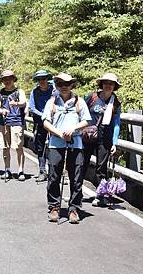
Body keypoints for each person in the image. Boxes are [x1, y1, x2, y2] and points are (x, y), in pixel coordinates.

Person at [42, 73, 91, 224]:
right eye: (60, 84)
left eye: (67, 84)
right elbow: (45, 122)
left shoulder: (79, 101)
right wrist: (60, 134)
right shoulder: (51, 102)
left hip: (75, 144)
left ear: (72, 85)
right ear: (56, 86)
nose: (64, 87)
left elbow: (87, 121)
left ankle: (74, 208)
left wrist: (73, 129)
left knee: (76, 178)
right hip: (56, 144)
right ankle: (54, 206)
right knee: (54, 176)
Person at [83, 73, 122, 207]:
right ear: (101, 84)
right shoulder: (92, 97)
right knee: (81, 164)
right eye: (106, 83)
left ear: (114, 86)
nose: (108, 86)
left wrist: (114, 142)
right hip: (87, 136)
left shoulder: (115, 103)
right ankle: (75, 193)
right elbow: (80, 112)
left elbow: (116, 123)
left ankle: (100, 195)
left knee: (101, 168)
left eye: (111, 84)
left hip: (105, 138)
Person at [0, 70, 27, 181]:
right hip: (4, 122)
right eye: (5, 79)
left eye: (9, 78)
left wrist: (16, 104)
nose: (7, 81)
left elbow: (23, 102)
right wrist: (1, 110)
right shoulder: (0, 92)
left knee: (18, 146)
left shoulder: (19, 91)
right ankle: (7, 169)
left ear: (13, 79)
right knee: (5, 147)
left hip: (17, 121)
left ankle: (20, 170)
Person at [28, 70, 54, 182]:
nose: (42, 81)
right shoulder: (35, 92)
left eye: (44, 79)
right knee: (40, 148)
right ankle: (42, 170)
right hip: (40, 122)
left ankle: (55, 172)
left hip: (54, 122)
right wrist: (43, 115)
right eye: (40, 79)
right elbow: (32, 107)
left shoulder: (54, 90)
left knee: (56, 147)